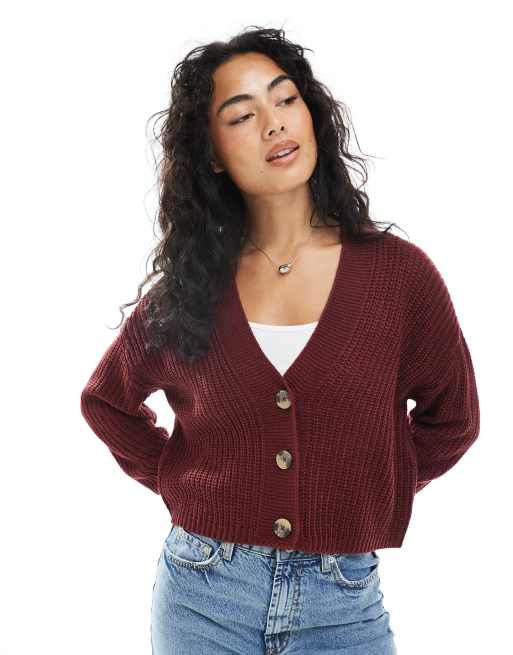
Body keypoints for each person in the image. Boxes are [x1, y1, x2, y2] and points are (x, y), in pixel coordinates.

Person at [80, 26, 480, 655]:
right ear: (212, 154)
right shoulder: (190, 288)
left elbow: (453, 419)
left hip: (343, 598)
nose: (274, 124)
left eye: (286, 99)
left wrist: (373, 483)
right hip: (202, 593)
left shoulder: (399, 277)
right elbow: (106, 401)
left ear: (312, 115)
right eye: (243, 116)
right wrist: (178, 479)